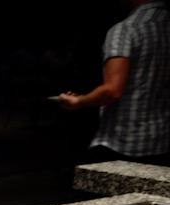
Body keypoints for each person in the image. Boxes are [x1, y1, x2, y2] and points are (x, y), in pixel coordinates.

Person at [59, 0, 170, 166]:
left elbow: (112, 90)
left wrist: (78, 101)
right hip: (162, 142)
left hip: (124, 142)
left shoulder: (126, 29)